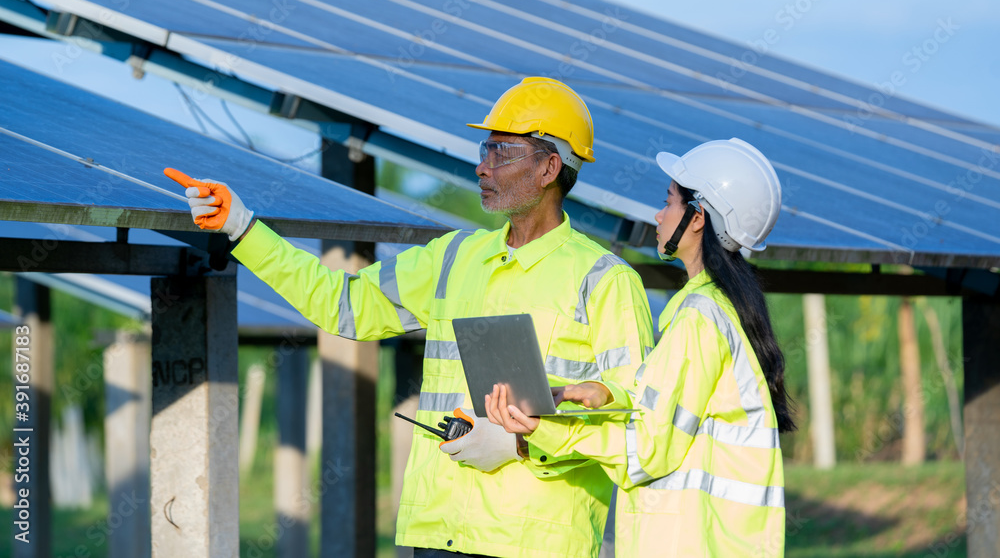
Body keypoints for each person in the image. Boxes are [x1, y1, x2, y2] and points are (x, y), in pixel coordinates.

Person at [166, 76, 655, 558]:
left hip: (535, 544)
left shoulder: (604, 280)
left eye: (501, 153)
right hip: (440, 534)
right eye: (484, 150)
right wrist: (243, 228)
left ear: (550, 168)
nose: (482, 168)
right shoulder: (453, 258)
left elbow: (637, 420)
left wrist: (526, 445)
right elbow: (342, 304)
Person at [485, 138, 796, 557]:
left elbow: (645, 451)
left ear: (698, 217)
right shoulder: (718, 308)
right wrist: (607, 394)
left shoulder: (699, 319)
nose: (659, 214)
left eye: (668, 201)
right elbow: (673, 419)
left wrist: (545, 429)